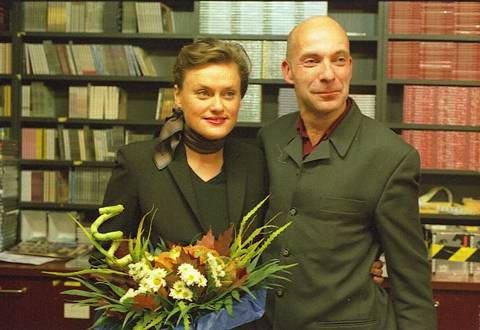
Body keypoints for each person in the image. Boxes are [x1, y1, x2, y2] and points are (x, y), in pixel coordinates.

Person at [257, 16, 436, 329]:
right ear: (289, 71)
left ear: (350, 66)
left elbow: (412, 283)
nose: (328, 75)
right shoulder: (269, 138)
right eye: (312, 61)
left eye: (338, 60)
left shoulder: (392, 156)